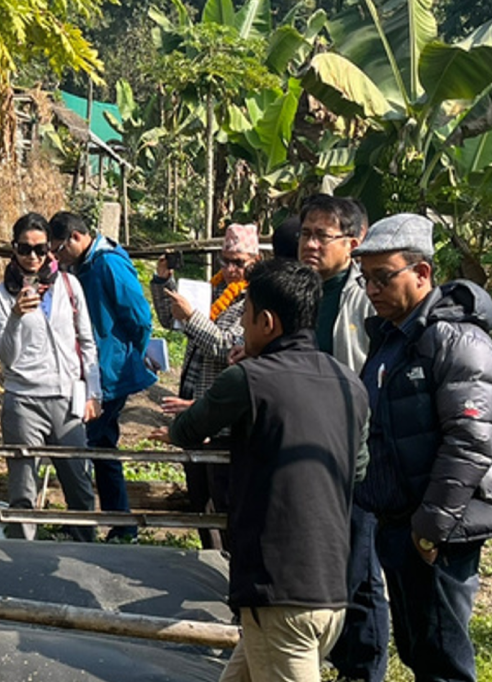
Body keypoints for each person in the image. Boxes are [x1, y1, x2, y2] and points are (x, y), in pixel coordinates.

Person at [156, 259, 368, 682]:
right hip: (331, 589)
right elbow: (358, 469)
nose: (241, 325)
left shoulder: (249, 379)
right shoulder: (350, 384)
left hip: (278, 593)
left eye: (247, 314)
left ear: (267, 322)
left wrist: (191, 427)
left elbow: (188, 428)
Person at [352, 213, 492, 682]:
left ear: (422, 273)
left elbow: (470, 441)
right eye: (365, 278)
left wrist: (429, 530)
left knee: (444, 662)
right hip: (398, 521)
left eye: (383, 277)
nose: (372, 289)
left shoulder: (457, 340)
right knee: (418, 650)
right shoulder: (392, 337)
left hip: (438, 530)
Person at [292, 195, 384, 682]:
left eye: (321, 236)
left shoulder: (364, 297)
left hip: (354, 448)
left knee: (358, 566)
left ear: (352, 242)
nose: (310, 244)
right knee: (328, 559)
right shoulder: (300, 289)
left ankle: (362, 668)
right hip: (308, 449)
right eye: (305, 233)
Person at [0, 213, 100, 541]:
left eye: (40, 249)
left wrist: (94, 393)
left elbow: (87, 342)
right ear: (14, 248)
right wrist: (15, 317)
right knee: (23, 492)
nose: (33, 256)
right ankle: (21, 560)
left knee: (79, 486)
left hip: (66, 400)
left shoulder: (69, 285)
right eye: (25, 248)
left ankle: (86, 555)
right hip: (23, 401)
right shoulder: (3, 295)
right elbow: (7, 356)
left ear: (50, 249)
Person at [150, 223, 259, 550]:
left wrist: (192, 317)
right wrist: (163, 281)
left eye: (239, 262)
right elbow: (172, 320)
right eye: (226, 260)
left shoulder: (253, 300)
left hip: (221, 415)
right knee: (199, 493)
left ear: (254, 261)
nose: (231, 268)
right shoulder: (211, 290)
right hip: (193, 402)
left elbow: (228, 347)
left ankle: (229, 561)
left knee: (223, 492)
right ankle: (211, 554)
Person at [48, 212, 156, 541]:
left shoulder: (107, 263)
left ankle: (82, 523)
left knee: (82, 444)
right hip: (93, 369)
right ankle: (119, 522)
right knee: (103, 446)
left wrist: (132, 355)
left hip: (111, 372)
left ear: (77, 237)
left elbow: (139, 316)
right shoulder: (81, 266)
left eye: (59, 249)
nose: (57, 257)